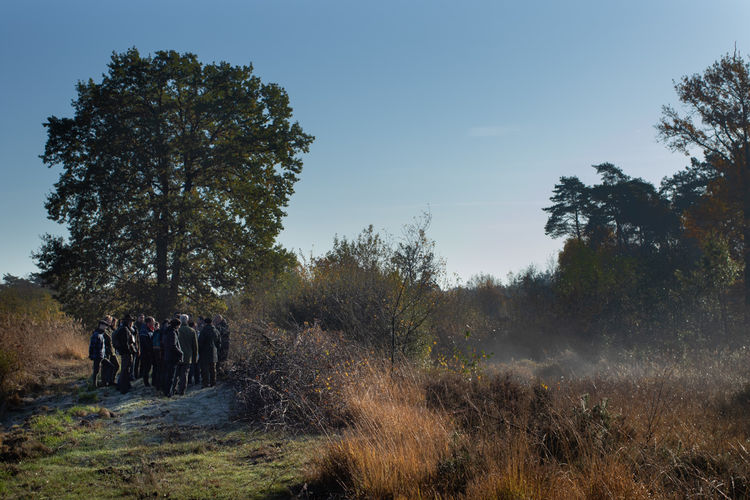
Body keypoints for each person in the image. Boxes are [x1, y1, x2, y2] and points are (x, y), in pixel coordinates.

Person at [113, 314, 137, 394]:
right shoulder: (125, 330)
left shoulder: (123, 329)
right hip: (126, 353)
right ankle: (123, 388)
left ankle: (123, 385)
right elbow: (125, 343)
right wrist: (130, 351)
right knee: (125, 370)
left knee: (125, 369)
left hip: (124, 352)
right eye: (130, 321)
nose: (131, 323)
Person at [174, 315, 198, 395]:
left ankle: (174, 389)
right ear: (187, 321)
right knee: (185, 374)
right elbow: (195, 346)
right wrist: (195, 358)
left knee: (176, 373)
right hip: (188, 356)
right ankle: (182, 390)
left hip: (177, 355)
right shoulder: (192, 331)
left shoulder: (177, 330)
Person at [162, 318, 183, 397]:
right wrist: (180, 352)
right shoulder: (173, 333)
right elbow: (173, 345)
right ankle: (168, 392)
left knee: (168, 374)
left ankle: (166, 391)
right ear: (177, 325)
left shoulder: (167, 331)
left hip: (167, 355)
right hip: (172, 357)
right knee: (171, 376)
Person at [198, 316, 221, 387]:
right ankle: (213, 382)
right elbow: (219, 342)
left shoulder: (203, 331)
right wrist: (217, 350)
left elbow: (200, 342)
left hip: (204, 352)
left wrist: (199, 351)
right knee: (213, 369)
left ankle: (205, 383)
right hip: (214, 352)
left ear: (205, 323)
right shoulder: (216, 331)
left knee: (204, 369)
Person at [100, 316, 119, 386]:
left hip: (112, 351)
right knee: (105, 367)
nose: (109, 322)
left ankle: (111, 380)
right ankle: (104, 382)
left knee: (116, 365)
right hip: (105, 350)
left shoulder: (110, 329)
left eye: (110, 321)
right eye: (108, 321)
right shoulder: (103, 329)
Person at [88, 319, 108, 387]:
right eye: (105, 326)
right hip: (97, 355)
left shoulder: (101, 334)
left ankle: (103, 382)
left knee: (107, 366)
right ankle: (94, 384)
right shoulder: (96, 334)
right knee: (96, 370)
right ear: (101, 325)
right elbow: (92, 346)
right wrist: (91, 355)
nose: (106, 327)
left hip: (101, 355)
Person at [139, 317, 156, 387]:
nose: (154, 323)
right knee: (146, 367)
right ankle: (146, 382)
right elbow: (145, 343)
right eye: (153, 322)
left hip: (150, 352)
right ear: (148, 322)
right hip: (146, 353)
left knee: (149, 367)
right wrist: (150, 350)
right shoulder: (144, 331)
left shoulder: (150, 330)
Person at [188, 320, 201, 386]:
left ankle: (193, 381)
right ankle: (195, 381)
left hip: (190, 352)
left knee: (193, 367)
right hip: (194, 352)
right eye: (195, 326)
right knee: (194, 367)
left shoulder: (189, 333)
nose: (196, 327)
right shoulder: (195, 333)